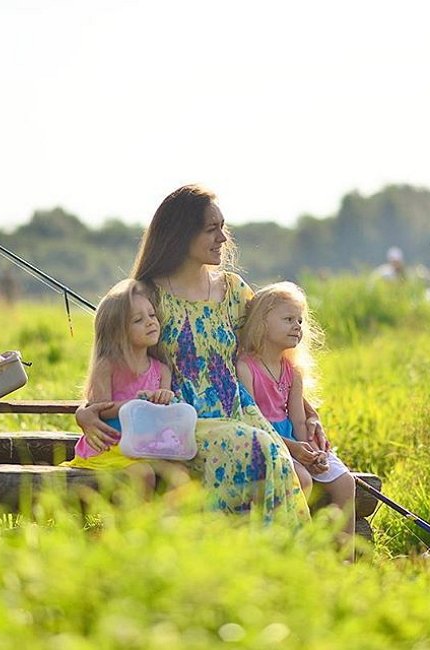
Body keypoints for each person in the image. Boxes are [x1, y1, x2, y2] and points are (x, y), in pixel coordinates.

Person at [74, 184, 310, 527]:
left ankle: (271, 563)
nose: (222, 238)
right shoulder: (148, 293)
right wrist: (85, 411)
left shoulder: (233, 291)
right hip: (180, 421)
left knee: (279, 459)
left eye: (222, 228)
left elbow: (268, 351)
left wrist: (308, 413)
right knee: (253, 445)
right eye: (211, 229)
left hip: (239, 410)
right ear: (182, 233)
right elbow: (114, 359)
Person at [236, 281, 355, 552]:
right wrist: (296, 452)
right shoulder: (246, 368)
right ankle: (300, 549)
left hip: (294, 443)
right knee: (300, 478)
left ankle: (345, 557)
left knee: (344, 481)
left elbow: (299, 420)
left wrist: (313, 454)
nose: (297, 326)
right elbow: (253, 421)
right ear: (262, 323)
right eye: (288, 319)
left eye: (300, 321)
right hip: (266, 443)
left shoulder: (293, 371)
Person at [66, 278, 175, 495]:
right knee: (143, 474)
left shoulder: (162, 370)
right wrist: (135, 404)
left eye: (152, 316)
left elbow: (164, 414)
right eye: (138, 320)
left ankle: (168, 524)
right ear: (118, 331)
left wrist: (164, 397)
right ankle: (138, 523)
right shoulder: (107, 366)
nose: (150, 322)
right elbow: (99, 408)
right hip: (110, 447)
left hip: (145, 447)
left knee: (178, 472)